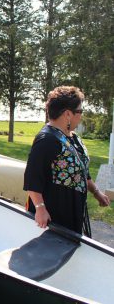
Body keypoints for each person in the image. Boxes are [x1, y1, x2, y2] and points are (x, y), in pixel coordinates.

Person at [24, 86, 110, 236]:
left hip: (72, 212)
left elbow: (82, 171)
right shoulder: (47, 139)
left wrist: (96, 192)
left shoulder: (73, 137)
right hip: (53, 217)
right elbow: (32, 177)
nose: (81, 116)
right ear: (68, 114)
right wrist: (40, 208)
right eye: (80, 111)